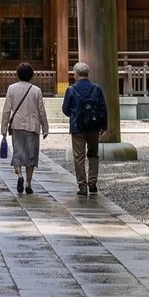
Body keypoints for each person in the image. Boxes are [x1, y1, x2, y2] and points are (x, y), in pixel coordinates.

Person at [0, 62, 49, 194]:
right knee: (31, 154)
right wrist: (45, 127)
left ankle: (20, 175)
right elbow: (41, 111)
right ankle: (28, 182)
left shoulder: (12, 88)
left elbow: (6, 110)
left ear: (18, 74)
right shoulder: (36, 90)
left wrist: (4, 129)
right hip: (32, 126)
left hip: (17, 125)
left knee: (18, 152)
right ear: (31, 75)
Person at [61, 61, 107, 197]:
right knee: (93, 154)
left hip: (77, 127)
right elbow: (102, 108)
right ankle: (92, 183)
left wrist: (74, 115)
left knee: (79, 157)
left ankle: (82, 185)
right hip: (93, 126)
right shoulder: (96, 89)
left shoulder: (71, 90)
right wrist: (103, 125)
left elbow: (65, 109)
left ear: (76, 74)